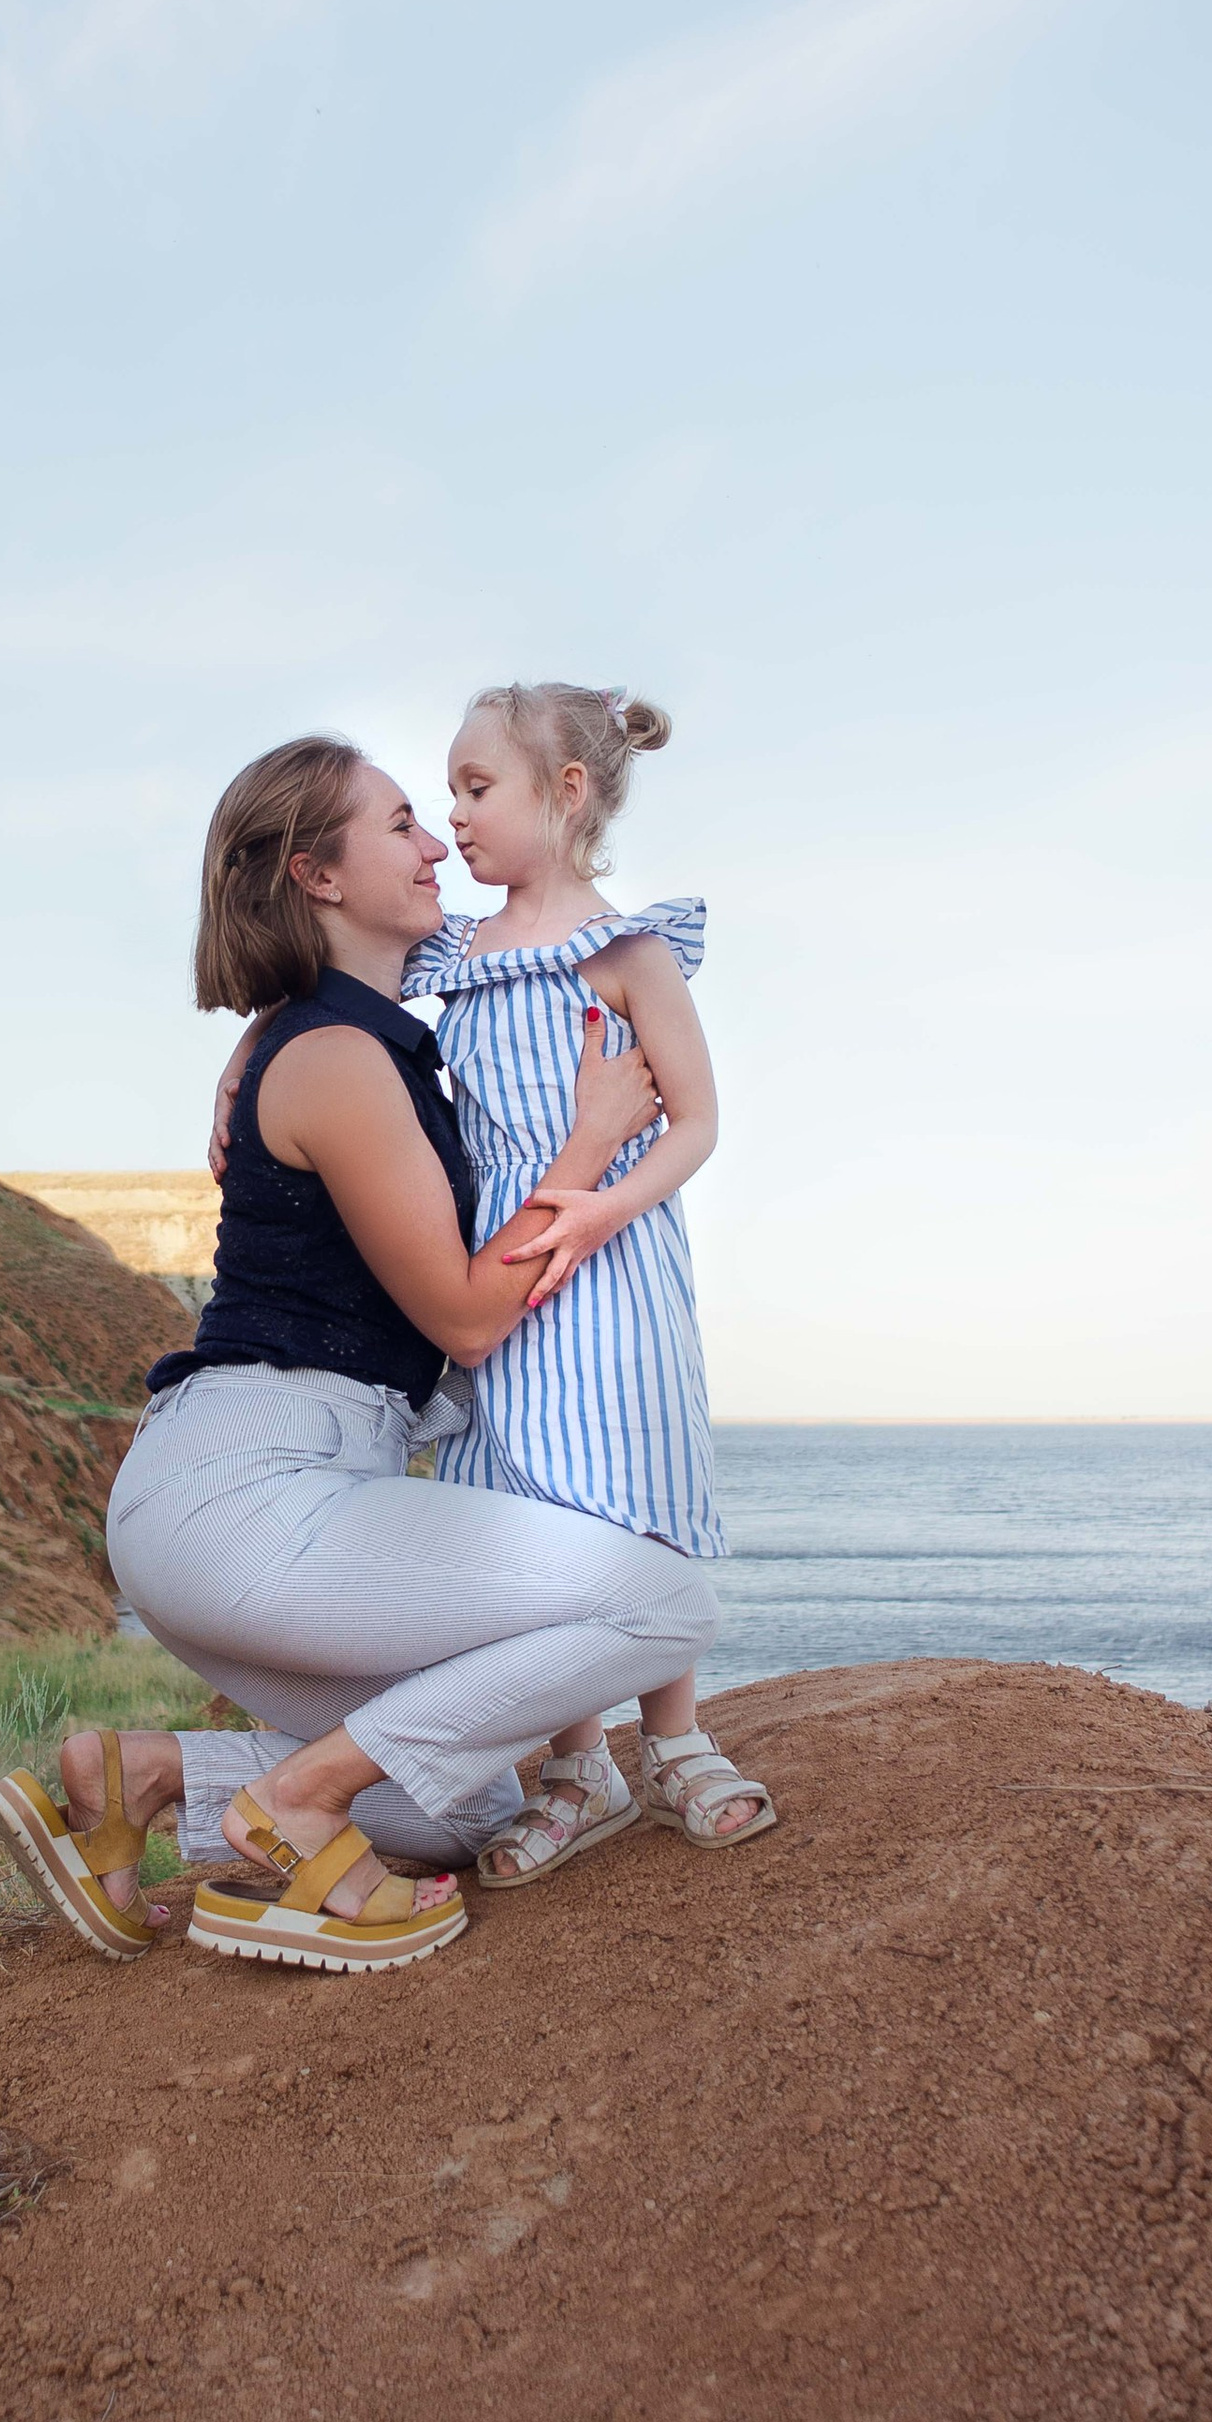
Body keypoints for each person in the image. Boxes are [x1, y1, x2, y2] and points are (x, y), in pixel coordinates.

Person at [0, 733, 717, 1976]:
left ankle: (141, 1774)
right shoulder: (337, 1060)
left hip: (260, 1495)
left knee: (461, 1803)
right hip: (253, 1488)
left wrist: (258, 1024)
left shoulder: (343, 1040)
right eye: (399, 825)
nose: (437, 844)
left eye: (438, 819)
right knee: (664, 1600)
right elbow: (470, 1319)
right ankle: (297, 1805)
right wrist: (591, 1141)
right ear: (318, 875)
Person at [403, 680, 771, 1882]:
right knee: (523, 1506)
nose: (452, 815)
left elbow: (698, 1120)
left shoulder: (628, 951)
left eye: (475, 787)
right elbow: (321, 988)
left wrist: (607, 1203)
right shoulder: (448, 952)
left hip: (609, 1262)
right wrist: (242, 1058)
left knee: (624, 1486)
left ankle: (671, 1736)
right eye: (448, 789)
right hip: (500, 1258)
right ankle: (576, 1765)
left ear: (566, 795)